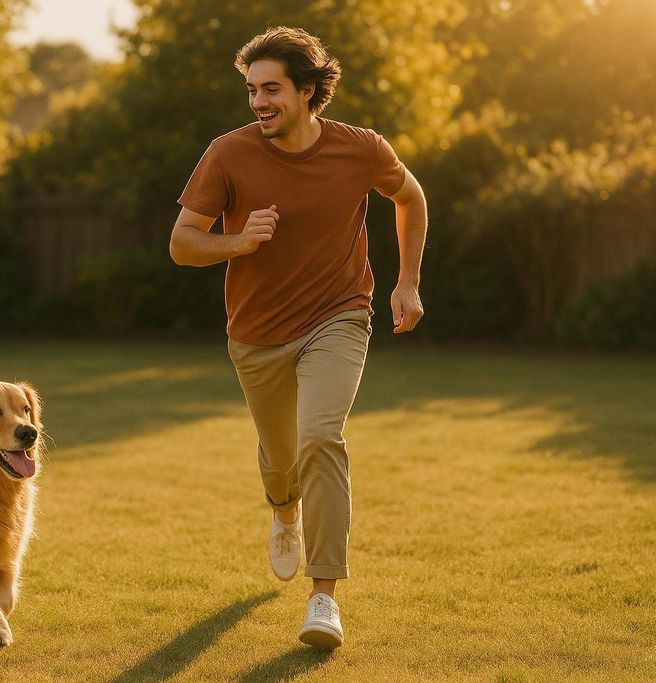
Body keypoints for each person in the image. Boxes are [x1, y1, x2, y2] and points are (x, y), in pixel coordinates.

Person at [169, 26, 427, 649]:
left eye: (272, 89)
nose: (259, 101)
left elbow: (411, 198)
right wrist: (238, 241)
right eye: (252, 90)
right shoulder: (228, 154)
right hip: (256, 332)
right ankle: (284, 513)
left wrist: (407, 283)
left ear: (308, 91)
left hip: (339, 314)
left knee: (320, 438)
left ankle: (323, 599)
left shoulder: (360, 149)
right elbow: (182, 244)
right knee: (282, 458)